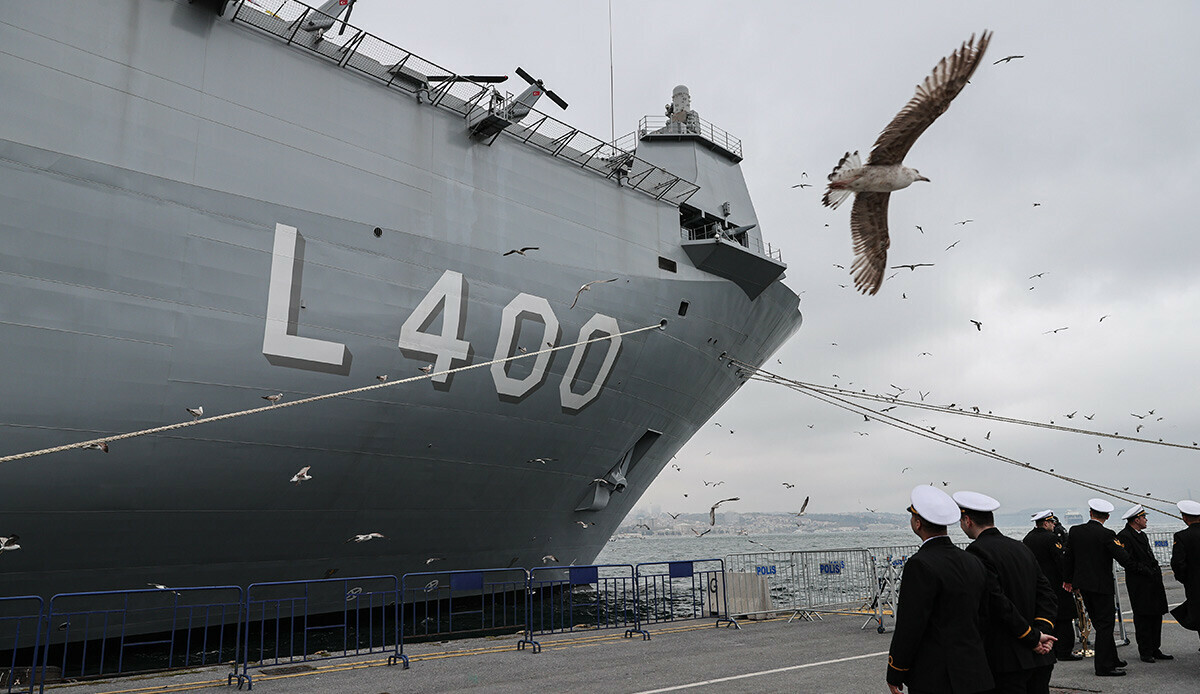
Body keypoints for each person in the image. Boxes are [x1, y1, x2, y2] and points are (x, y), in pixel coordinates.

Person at [886, 486, 1052, 694]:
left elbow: (911, 625)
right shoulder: (971, 560)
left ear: (917, 523)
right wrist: (1037, 632)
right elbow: (982, 615)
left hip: (938, 675)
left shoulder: (920, 564)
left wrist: (896, 669)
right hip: (976, 671)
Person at [956, 492, 1057, 694]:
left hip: (1007, 658)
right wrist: (1041, 631)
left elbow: (997, 602)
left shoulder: (976, 552)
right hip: (1041, 655)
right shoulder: (1021, 547)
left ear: (967, 521)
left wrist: (1032, 636)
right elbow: (1047, 594)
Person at [1063, 498, 1144, 677]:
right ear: (1107, 516)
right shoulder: (1107, 534)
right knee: (1106, 625)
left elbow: (1069, 557)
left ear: (1090, 513)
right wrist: (1139, 567)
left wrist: (1068, 580)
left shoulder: (1075, 531)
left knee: (1101, 624)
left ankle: (1112, 659)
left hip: (1083, 585)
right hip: (1102, 586)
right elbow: (1123, 557)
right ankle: (1103, 666)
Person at [1116, 504, 1172, 662]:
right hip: (1139, 583)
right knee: (1143, 617)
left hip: (1152, 581)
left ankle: (1155, 648)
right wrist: (1144, 570)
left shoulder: (1142, 535)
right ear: (1136, 520)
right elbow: (1127, 561)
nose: (1146, 520)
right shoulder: (1125, 536)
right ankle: (1145, 651)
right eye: (1143, 517)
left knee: (1156, 615)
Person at [1023, 510, 1080, 661]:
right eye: (1052, 522)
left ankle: (1050, 648)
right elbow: (1061, 562)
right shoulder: (1051, 538)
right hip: (1056, 585)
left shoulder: (1027, 539)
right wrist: (1070, 580)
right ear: (1046, 523)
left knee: (1046, 618)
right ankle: (1065, 651)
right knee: (1065, 619)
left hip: (1037, 585)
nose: (1054, 525)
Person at [1169, 499, 1200, 644]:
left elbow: (1177, 563)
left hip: (1195, 585)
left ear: (1185, 517)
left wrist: (1185, 578)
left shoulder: (1182, 537)